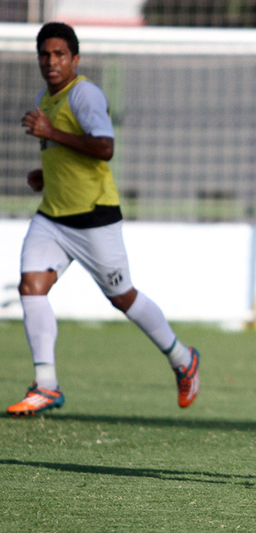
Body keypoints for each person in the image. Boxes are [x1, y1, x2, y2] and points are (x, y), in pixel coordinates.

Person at [7, 22, 200, 417]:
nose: (51, 61)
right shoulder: (46, 98)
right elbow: (69, 154)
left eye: (60, 54)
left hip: (94, 219)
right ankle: (46, 385)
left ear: (75, 59)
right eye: (45, 54)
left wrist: (51, 133)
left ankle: (183, 359)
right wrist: (46, 175)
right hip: (53, 218)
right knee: (31, 285)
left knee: (122, 297)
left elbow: (104, 147)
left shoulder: (85, 95)